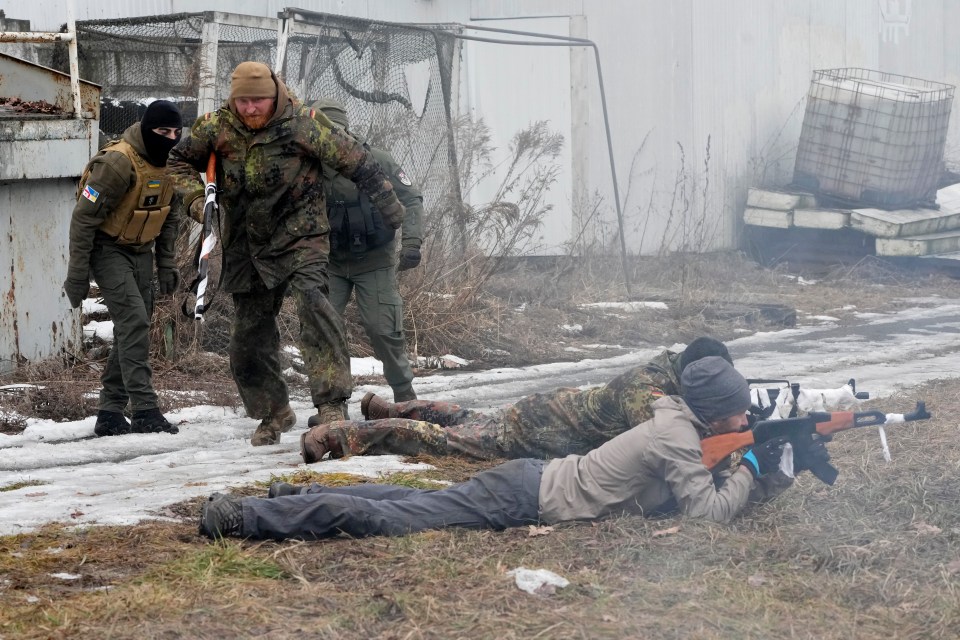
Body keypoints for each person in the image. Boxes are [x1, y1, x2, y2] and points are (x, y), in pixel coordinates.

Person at [199, 356, 821, 540]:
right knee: (387, 515)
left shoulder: (685, 426)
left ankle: (292, 496)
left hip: (531, 483)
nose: (746, 417)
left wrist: (773, 468)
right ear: (714, 412)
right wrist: (760, 464)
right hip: (525, 496)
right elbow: (708, 510)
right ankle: (247, 515)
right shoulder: (675, 435)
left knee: (410, 499)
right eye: (740, 409)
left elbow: (709, 485)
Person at [166, 62, 406, 446]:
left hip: (301, 236)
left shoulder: (305, 124)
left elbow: (358, 161)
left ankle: (331, 405)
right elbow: (177, 162)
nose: (250, 109)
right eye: (243, 101)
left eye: (258, 100)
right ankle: (272, 412)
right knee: (248, 334)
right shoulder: (216, 127)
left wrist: (390, 207)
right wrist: (197, 200)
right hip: (246, 243)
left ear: (274, 95)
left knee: (314, 304)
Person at [299, 336, 732, 462]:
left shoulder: (664, 371)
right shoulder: (650, 391)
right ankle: (337, 435)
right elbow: (665, 444)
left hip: (548, 413)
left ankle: (384, 407)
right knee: (441, 440)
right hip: (541, 429)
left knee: (467, 418)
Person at [63, 100, 184, 437]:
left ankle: (110, 412)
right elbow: (83, 219)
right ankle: (145, 409)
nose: (171, 138)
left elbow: (170, 215)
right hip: (108, 250)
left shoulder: (170, 165)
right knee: (134, 321)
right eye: (163, 132)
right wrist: (77, 275)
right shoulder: (117, 163)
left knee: (132, 329)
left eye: (176, 132)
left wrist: (167, 263)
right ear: (147, 128)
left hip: (141, 251)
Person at [313, 99, 424, 405]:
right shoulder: (309, 168)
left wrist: (412, 243)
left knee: (382, 327)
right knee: (324, 330)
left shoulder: (376, 160)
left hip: (374, 259)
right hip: (331, 261)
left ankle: (404, 393)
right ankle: (332, 406)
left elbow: (412, 199)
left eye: (335, 129)